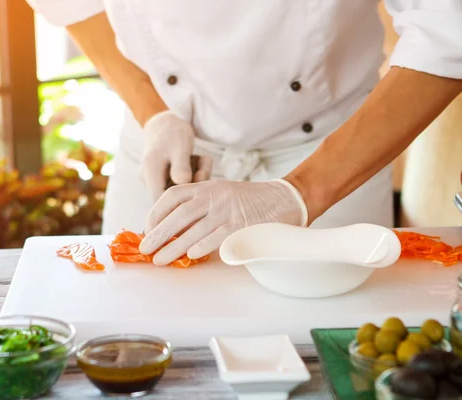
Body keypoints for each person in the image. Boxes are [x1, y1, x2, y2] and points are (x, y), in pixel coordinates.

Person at [28, 0, 462, 265]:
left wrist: (296, 193)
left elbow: (448, 28)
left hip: (329, 154)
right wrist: (154, 112)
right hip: (168, 148)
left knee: (327, 354)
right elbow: (71, 3)